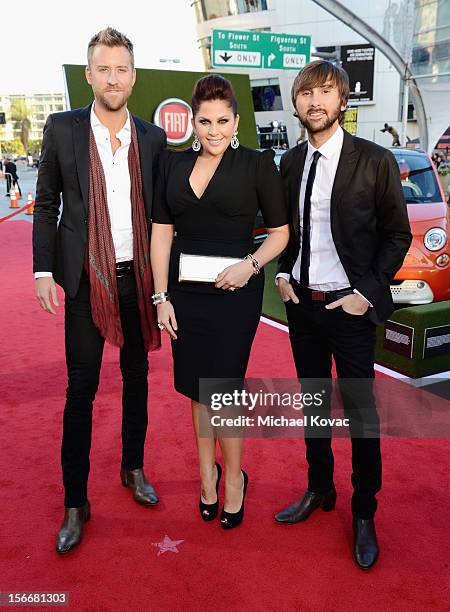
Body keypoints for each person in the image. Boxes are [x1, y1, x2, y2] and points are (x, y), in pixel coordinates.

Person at [32, 27, 166, 554]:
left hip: (137, 280)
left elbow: (162, 216)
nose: (113, 78)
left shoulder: (152, 138)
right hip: (86, 279)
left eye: (121, 69)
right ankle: (75, 502)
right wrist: (44, 270)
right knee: (80, 390)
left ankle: (132, 468)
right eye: (103, 69)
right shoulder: (62, 129)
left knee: (137, 378)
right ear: (89, 75)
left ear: (134, 76)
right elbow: (46, 204)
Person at [274, 60, 412, 569]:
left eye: (325, 92)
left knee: (360, 416)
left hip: (350, 311)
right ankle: (319, 489)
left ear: (343, 101)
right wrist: (283, 274)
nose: (315, 101)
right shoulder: (288, 163)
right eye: (306, 93)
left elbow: (398, 235)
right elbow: (283, 230)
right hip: (302, 308)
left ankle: (363, 511)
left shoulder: (374, 161)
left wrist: (367, 293)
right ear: (297, 103)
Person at [151, 75, 289, 530]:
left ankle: (234, 481)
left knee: (224, 392)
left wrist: (250, 265)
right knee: (197, 390)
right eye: (205, 121)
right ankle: (206, 477)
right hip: (184, 297)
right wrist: (161, 297)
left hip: (235, 296)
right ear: (192, 120)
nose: (214, 131)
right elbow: (162, 234)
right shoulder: (171, 167)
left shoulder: (256, 165)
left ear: (236, 120)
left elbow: (280, 233)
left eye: (223, 121)